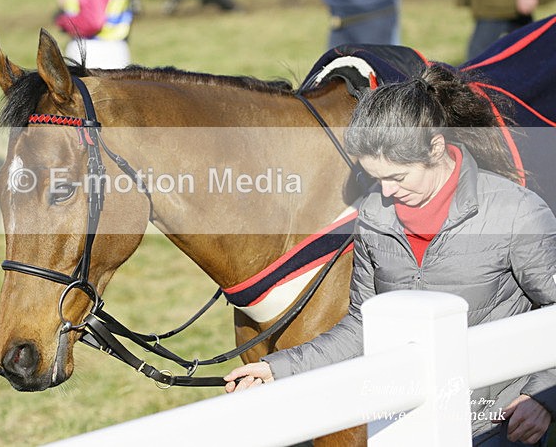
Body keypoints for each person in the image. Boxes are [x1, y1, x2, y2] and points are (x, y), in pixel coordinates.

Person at [224, 65, 556, 445]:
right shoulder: (373, 214)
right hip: (401, 424)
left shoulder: (517, 213)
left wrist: (542, 397)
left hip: (492, 427)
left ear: (435, 147)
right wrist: (276, 369)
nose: (387, 191)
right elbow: (362, 326)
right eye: (375, 177)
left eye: (398, 177)